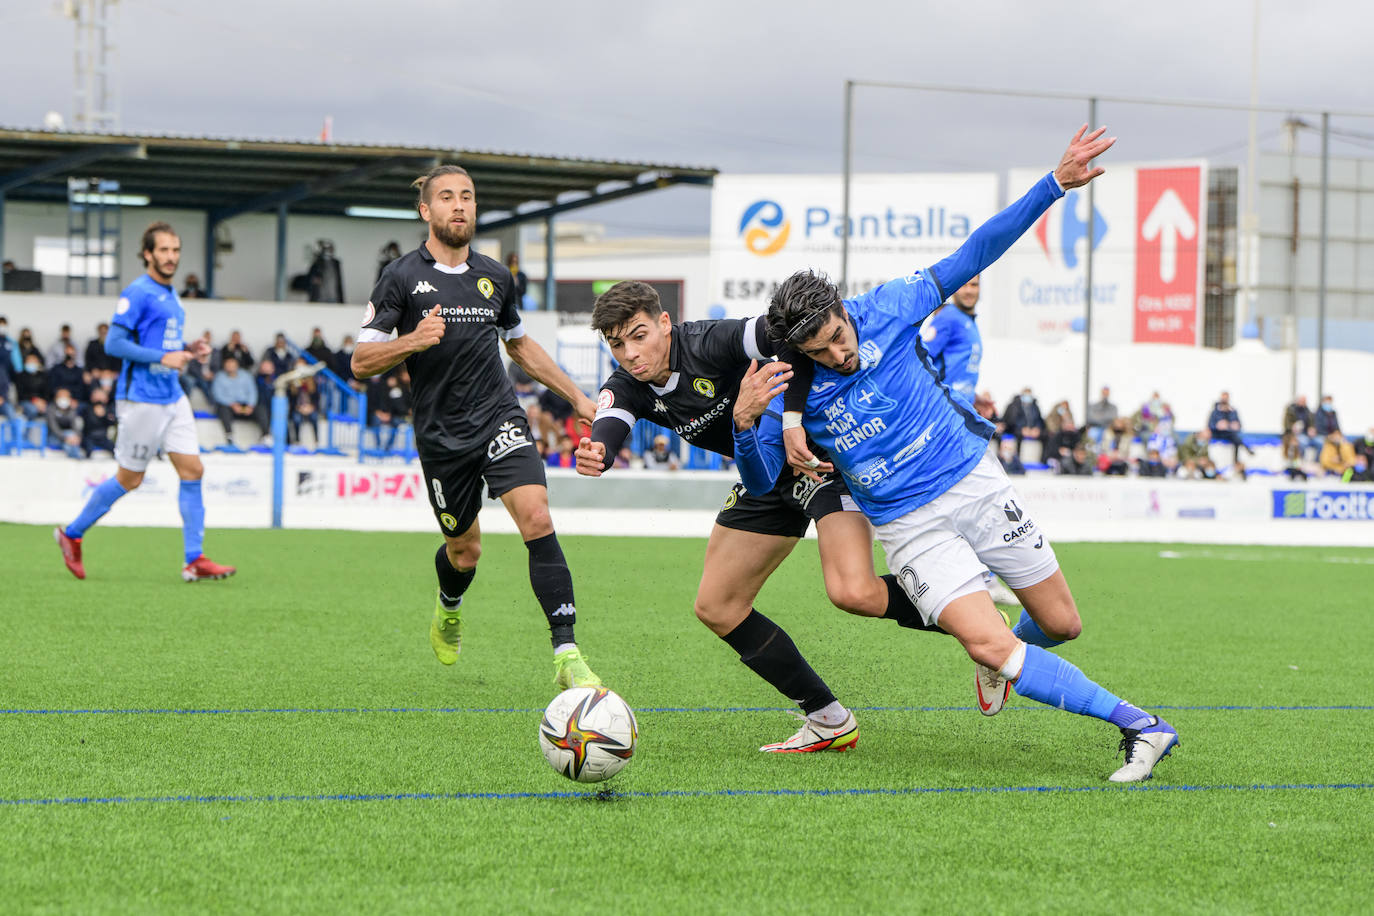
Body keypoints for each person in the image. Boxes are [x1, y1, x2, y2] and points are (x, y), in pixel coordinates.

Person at [765, 125, 1179, 782]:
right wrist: (756, 423)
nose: (838, 354)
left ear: (844, 309)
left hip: (975, 481)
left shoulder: (890, 305)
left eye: (839, 336)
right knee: (991, 640)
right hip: (908, 525)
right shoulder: (787, 383)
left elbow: (975, 250)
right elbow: (759, 457)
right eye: (819, 350)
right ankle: (1141, 726)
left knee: (1061, 623)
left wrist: (1054, 184)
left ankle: (999, 657)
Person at [574, 280, 944, 754]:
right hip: (763, 476)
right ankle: (828, 719)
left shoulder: (709, 341)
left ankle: (969, 618)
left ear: (664, 323)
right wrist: (598, 453)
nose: (630, 353)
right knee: (717, 606)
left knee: (853, 592)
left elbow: (790, 337)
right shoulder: (628, 385)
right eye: (617, 344)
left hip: (817, 460)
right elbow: (608, 426)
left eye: (638, 335)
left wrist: (790, 421)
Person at [351, 164, 602, 688]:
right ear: (426, 210)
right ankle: (449, 605)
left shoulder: (496, 277)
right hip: (442, 436)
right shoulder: (400, 276)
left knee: (537, 516)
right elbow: (361, 361)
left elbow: (519, 345)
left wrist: (578, 397)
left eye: (466, 196)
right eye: (446, 197)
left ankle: (567, 654)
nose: (459, 205)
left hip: (498, 416)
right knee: (465, 552)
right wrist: (413, 341)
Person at [54, 221, 236, 583]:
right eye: (164, 250)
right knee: (130, 478)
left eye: (176, 250)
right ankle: (72, 534)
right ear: (148, 254)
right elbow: (114, 344)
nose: (171, 256)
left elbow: (160, 345)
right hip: (141, 399)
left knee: (193, 470)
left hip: (172, 395)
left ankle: (194, 559)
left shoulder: (171, 294)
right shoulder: (137, 292)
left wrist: (186, 349)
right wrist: (162, 357)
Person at [919, 274, 982, 404]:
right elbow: (921, 359)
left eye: (974, 285)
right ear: (955, 287)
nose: (969, 290)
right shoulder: (947, 317)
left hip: (961, 407)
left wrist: (973, 398)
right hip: (944, 407)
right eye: (963, 284)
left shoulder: (969, 321)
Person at [211, 356, 257, 446]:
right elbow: (217, 395)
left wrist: (250, 405)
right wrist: (232, 404)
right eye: (228, 365)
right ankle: (229, 435)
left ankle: (266, 435)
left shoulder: (246, 375)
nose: (230, 367)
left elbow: (252, 392)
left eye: (232, 364)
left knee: (261, 408)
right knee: (223, 409)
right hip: (229, 405)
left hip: (245, 406)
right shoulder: (219, 377)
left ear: (237, 365)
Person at [1001, 388, 1043, 463]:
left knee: (1045, 435)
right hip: (1016, 430)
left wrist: (1037, 428)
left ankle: (1043, 460)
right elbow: (1012, 421)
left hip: (1031, 431)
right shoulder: (1014, 406)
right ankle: (1017, 460)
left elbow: (1039, 419)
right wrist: (1022, 429)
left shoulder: (1035, 407)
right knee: (1018, 435)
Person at [1207, 391, 1251, 462]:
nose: (1225, 400)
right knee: (1235, 437)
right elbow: (1210, 425)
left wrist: (1235, 426)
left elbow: (1239, 425)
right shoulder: (1215, 412)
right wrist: (1217, 426)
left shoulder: (1233, 411)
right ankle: (1247, 448)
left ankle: (1236, 460)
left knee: (1236, 438)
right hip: (1217, 433)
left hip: (1229, 433)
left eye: (1226, 398)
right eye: (1223, 398)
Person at [45, 388, 84, 458]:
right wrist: (65, 438)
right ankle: (75, 457)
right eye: (61, 397)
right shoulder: (51, 409)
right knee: (69, 436)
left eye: (65, 397)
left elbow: (75, 425)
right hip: (54, 437)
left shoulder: (71, 410)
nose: (63, 399)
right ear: (56, 398)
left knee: (72, 434)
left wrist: (77, 436)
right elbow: (53, 427)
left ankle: (75, 456)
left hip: (71, 437)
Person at [80, 386, 116, 457]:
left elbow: (112, 423)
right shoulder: (87, 408)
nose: (99, 398)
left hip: (103, 437)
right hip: (89, 437)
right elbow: (85, 425)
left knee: (114, 449)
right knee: (88, 450)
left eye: (101, 395)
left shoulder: (109, 409)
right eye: (96, 395)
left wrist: (104, 416)